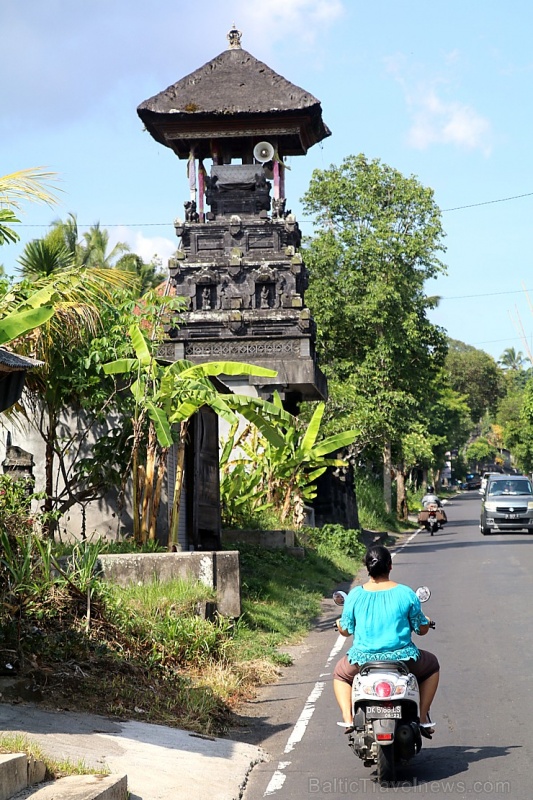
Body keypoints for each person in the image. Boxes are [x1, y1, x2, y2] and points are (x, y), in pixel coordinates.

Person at [333, 545, 440, 738]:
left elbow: (346, 630)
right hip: (403, 660)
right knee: (432, 666)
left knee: (340, 674)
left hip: (363, 661)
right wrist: (426, 621)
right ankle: (423, 718)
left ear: (367, 568)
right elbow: (421, 629)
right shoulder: (406, 594)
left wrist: (339, 623)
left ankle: (348, 718)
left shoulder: (355, 595)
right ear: (390, 566)